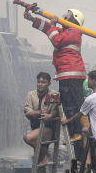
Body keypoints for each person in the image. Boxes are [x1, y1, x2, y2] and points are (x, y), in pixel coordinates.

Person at [24, 8, 87, 153]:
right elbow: (48, 29)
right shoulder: (66, 31)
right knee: (69, 105)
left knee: (71, 106)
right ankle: (74, 134)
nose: (64, 16)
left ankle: (76, 134)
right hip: (67, 74)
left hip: (71, 74)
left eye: (68, 15)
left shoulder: (73, 31)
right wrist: (33, 19)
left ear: (73, 18)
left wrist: (53, 27)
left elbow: (56, 40)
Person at [62, 70, 96, 164]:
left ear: (94, 81)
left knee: (84, 132)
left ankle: (87, 160)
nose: (87, 81)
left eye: (89, 79)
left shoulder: (90, 99)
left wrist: (67, 121)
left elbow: (78, 115)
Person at [23, 72, 60, 173]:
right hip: (36, 128)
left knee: (27, 137)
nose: (40, 84)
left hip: (48, 128)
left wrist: (49, 115)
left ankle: (46, 153)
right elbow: (27, 112)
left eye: (43, 82)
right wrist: (38, 112)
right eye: (38, 81)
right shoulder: (31, 94)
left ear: (49, 83)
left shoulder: (53, 94)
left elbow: (56, 111)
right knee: (40, 160)